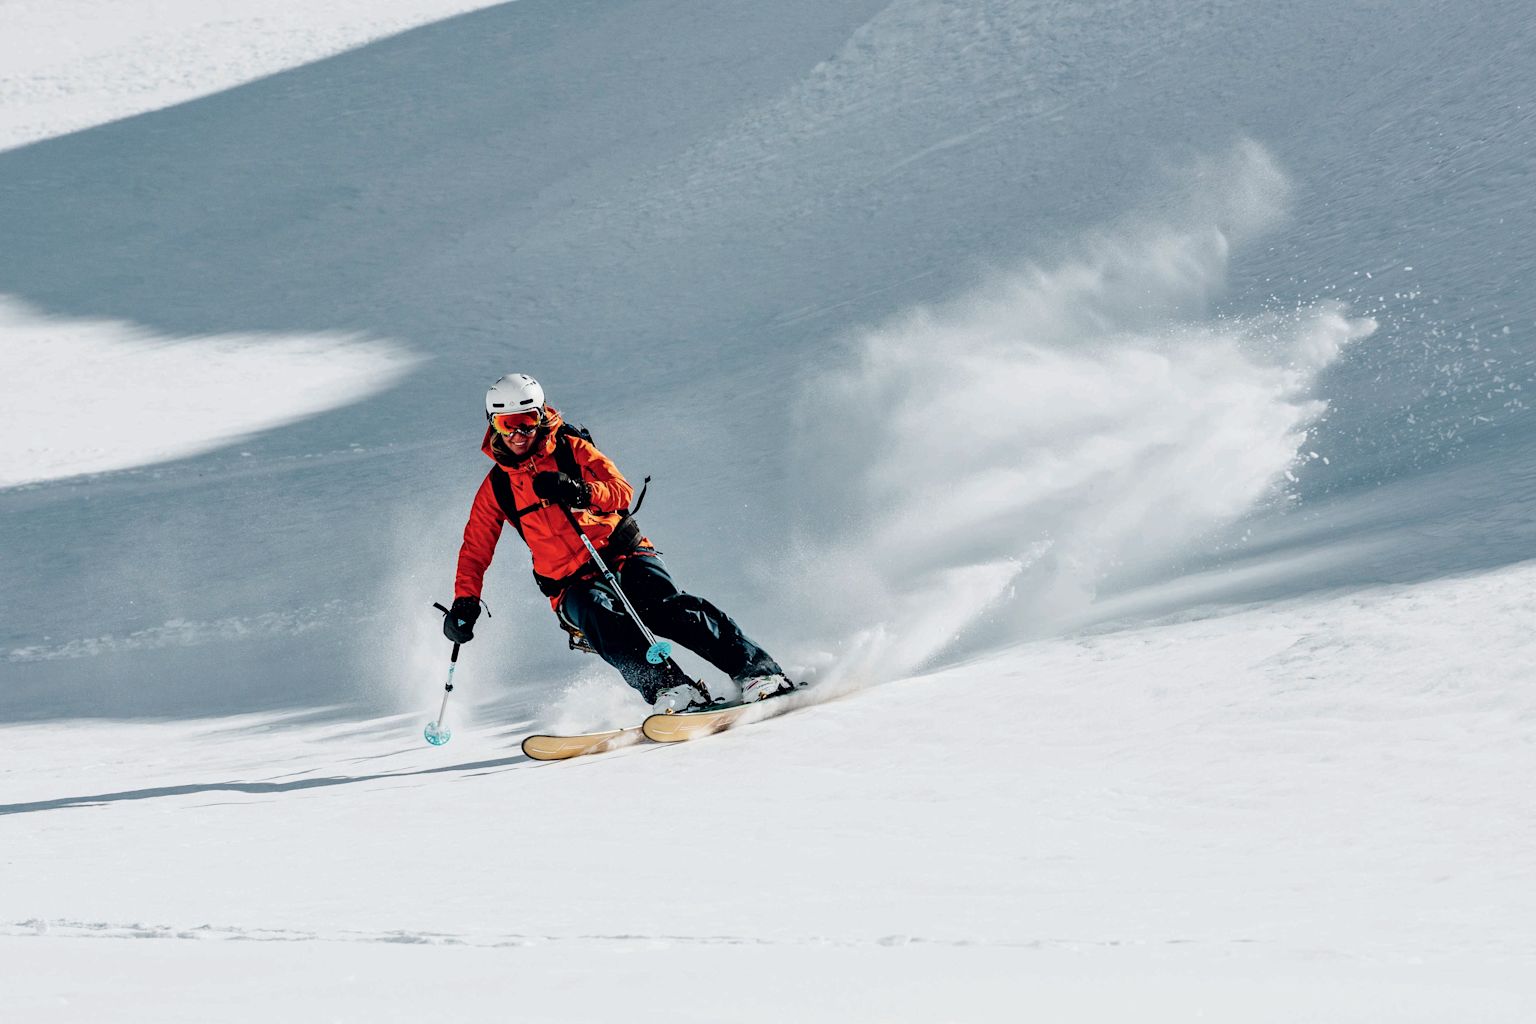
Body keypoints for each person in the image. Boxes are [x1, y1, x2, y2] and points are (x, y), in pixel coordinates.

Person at [444, 373, 793, 713]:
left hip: (621, 553)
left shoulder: (571, 449)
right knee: (602, 619)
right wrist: (464, 602)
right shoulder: (497, 487)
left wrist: (580, 491)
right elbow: (476, 548)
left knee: (665, 608)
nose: (519, 434)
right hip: (570, 583)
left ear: (541, 415)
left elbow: (620, 490)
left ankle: (758, 672)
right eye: (507, 424)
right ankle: (671, 688)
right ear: (493, 425)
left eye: (527, 421)